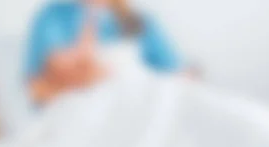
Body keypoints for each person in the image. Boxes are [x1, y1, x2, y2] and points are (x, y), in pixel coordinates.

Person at [26, 0, 182, 103]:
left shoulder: (139, 20)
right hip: (90, 109)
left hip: (145, 100)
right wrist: (90, 18)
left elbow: (176, 72)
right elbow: (49, 79)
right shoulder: (55, 17)